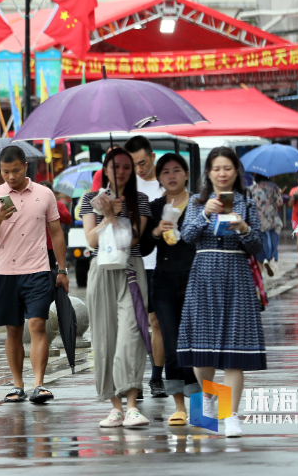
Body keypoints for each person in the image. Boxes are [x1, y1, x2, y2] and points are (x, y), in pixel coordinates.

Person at [177, 147, 265, 439]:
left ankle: (230, 416)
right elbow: (186, 236)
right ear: (209, 172)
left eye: (228, 168)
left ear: (236, 171)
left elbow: (257, 246)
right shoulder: (196, 201)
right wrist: (204, 214)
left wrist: (242, 226)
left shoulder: (247, 202)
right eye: (217, 168)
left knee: (233, 353)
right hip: (203, 276)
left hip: (237, 277)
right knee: (203, 354)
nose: (223, 173)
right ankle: (211, 399)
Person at [0, 145, 68, 404]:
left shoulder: (44, 194)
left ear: (26, 167)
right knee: (13, 329)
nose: (10, 176)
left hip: (39, 269)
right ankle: (17, 385)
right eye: (5, 172)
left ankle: (39, 384)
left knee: (37, 324)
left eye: (15, 171)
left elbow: (56, 233)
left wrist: (62, 269)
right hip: (6, 272)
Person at [82, 147, 152, 428]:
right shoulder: (90, 200)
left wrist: (117, 215)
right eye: (115, 166)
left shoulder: (140, 200)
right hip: (101, 271)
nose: (120, 171)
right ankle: (115, 406)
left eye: (126, 166)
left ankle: (133, 404)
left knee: (131, 334)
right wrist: (108, 217)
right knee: (105, 336)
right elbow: (91, 240)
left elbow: (134, 239)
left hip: (130, 271)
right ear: (105, 169)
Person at [139, 153, 197, 427]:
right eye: (165, 172)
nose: (171, 176)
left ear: (186, 174)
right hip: (163, 282)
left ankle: (201, 403)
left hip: (195, 281)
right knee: (172, 345)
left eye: (177, 170)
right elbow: (143, 248)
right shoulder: (154, 207)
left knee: (196, 345)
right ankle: (179, 406)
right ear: (160, 178)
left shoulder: (199, 204)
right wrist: (154, 233)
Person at [125, 135, 166, 400]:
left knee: (157, 322)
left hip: (162, 263)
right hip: (136, 262)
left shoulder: (166, 185)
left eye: (142, 163)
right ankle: (134, 379)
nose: (139, 169)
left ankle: (157, 377)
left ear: (152, 157)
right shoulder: (128, 189)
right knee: (135, 324)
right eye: (133, 164)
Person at [249, 173, 283, 277]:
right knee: (274, 239)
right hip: (272, 219)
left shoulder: (251, 188)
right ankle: (270, 257)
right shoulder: (273, 187)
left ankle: (262, 267)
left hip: (257, 221)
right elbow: (279, 202)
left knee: (260, 246)